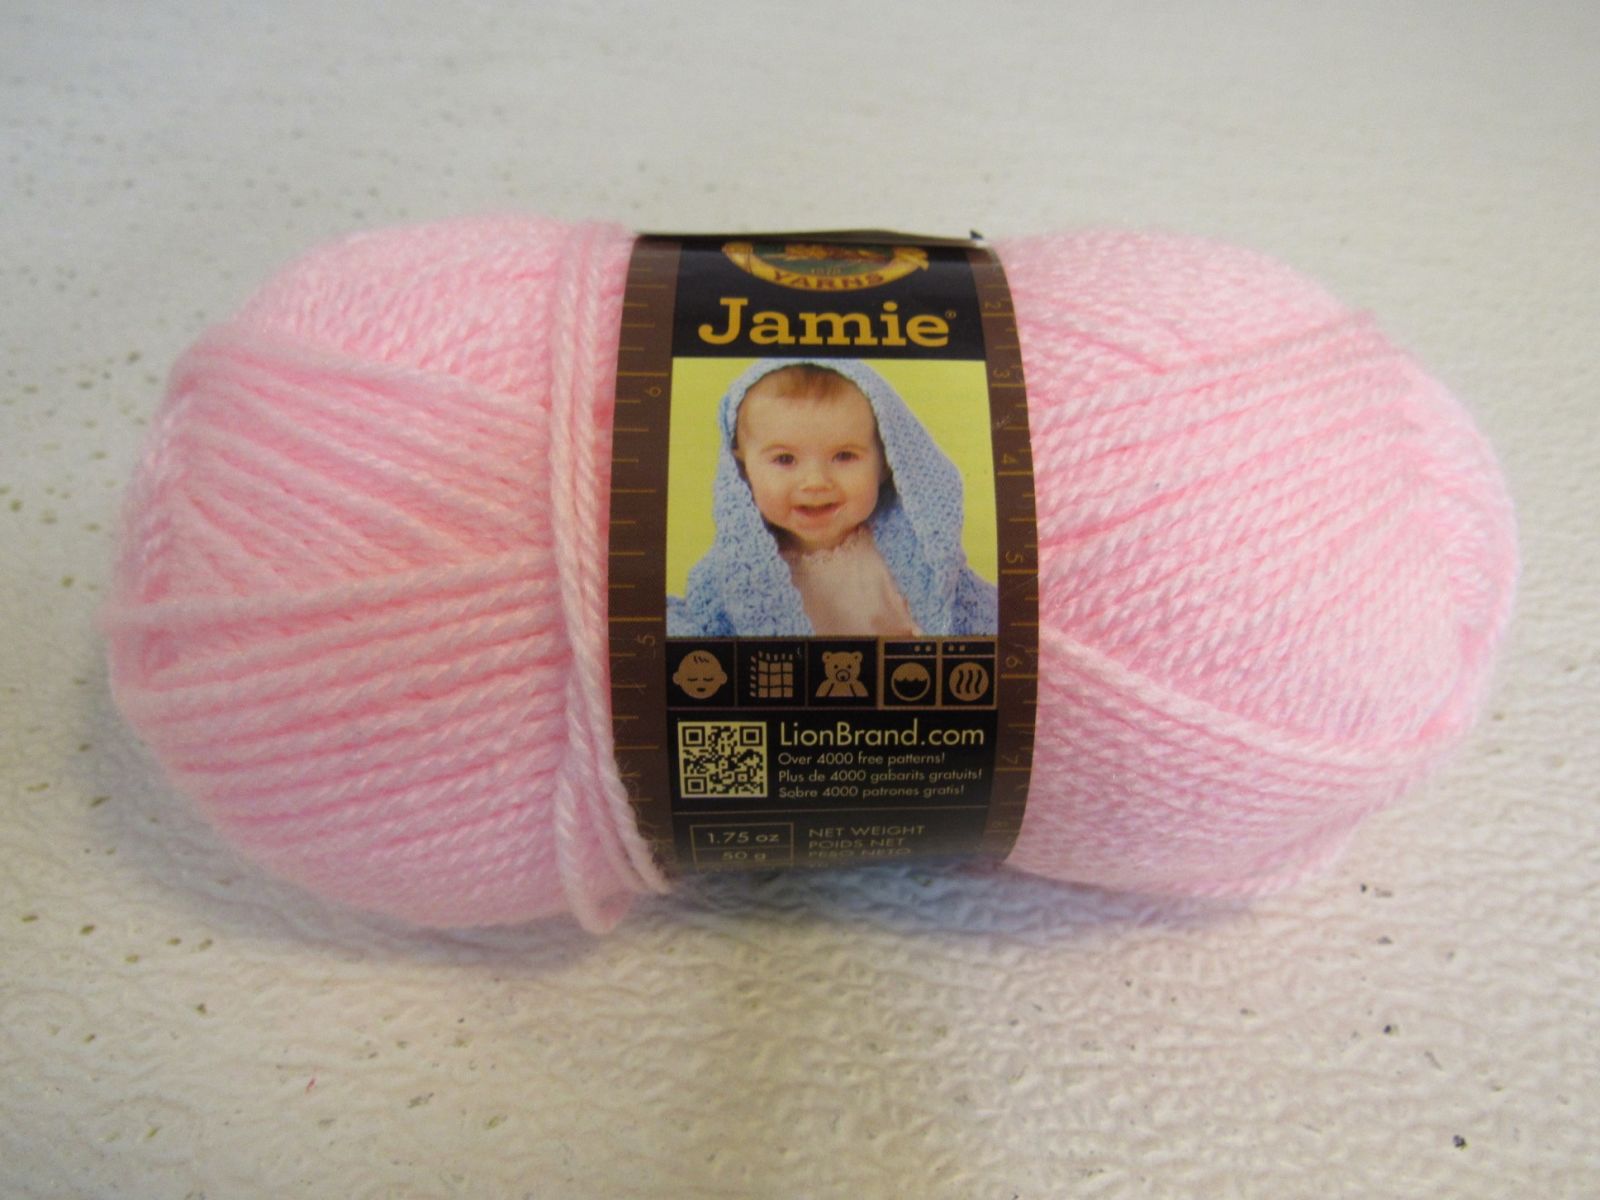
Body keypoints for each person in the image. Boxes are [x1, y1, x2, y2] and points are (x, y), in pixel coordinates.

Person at [667, 359, 997, 638]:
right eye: (785, 459)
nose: (816, 482)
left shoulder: (917, 560)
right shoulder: (730, 573)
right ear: (742, 470)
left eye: (844, 456)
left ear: (885, 463)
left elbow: (975, 621)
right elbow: (698, 636)